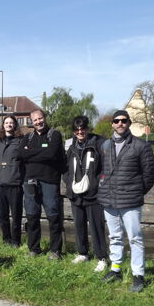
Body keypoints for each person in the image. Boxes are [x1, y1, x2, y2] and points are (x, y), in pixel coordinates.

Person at [97, 110, 154, 292]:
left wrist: (137, 191)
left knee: (135, 238)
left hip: (130, 200)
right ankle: (115, 269)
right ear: (112, 124)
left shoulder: (140, 146)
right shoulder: (105, 145)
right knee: (114, 236)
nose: (120, 124)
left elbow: (150, 174)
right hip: (109, 199)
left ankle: (138, 274)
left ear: (129, 123)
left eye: (124, 121)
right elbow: (102, 170)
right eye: (116, 121)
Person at [19, 109, 66, 260]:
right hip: (30, 181)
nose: (38, 122)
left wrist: (31, 152)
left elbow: (52, 154)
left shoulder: (55, 135)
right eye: (35, 120)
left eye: (40, 119)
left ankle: (55, 250)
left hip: (49, 181)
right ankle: (34, 248)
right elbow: (21, 154)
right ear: (31, 122)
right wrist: (40, 152)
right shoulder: (28, 137)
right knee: (32, 215)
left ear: (45, 118)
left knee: (53, 216)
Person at [63, 116, 108, 270]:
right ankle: (83, 253)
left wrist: (99, 183)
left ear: (88, 128)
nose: (80, 131)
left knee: (96, 226)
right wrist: (68, 182)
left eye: (83, 128)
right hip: (76, 193)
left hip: (94, 194)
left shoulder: (99, 143)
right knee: (79, 225)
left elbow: (106, 167)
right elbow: (66, 167)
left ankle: (102, 257)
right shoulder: (72, 146)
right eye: (77, 129)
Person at [0, 115, 24, 247]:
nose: (9, 125)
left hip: (14, 182)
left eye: (11, 123)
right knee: (2, 215)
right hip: (0, 182)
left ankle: (16, 241)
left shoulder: (20, 141)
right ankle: (6, 239)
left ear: (15, 125)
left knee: (16, 215)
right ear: (3, 125)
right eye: (6, 123)